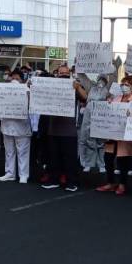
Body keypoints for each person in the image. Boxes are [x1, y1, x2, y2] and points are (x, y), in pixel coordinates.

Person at [41, 64, 84, 192]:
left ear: (69, 73)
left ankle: (72, 182)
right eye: (61, 73)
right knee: (54, 157)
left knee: (69, 158)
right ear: (57, 74)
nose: (63, 75)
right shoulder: (51, 87)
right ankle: (54, 180)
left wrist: (77, 88)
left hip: (69, 130)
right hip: (53, 129)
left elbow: (85, 97)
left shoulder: (74, 85)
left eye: (66, 73)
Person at [97, 75, 132, 196]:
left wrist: (131, 114)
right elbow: (109, 112)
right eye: (123, 84)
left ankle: (122, 184)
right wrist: (108, 104)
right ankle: (110, 182)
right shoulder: (116, 98)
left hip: (125, 136)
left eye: (127, 85)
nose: (124, 87)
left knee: (123, 161)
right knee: (108, 158)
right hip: (112, 134)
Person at [0, 70, 32, 184]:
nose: (14, 81)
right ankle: (10, 173)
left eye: (17, 79)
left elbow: (31, 105)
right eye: (12, 79)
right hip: (7, 125)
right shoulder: (4, 91)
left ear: (22, 80)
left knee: (22, 151)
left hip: (21, 126)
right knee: (9, 151)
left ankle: (23, 175)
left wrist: (27, 90)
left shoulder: (27, 90)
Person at [78, 74, 109, 174]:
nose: (101, 81)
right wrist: (79, 66)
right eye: (100, 79)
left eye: (103, 80)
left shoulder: (108, 89)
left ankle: (101, 164)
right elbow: (83, 78)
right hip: (89, 115)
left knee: (101, 141)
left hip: (101, 116)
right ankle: (88, 163)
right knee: (88, 139)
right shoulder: (91, 87)